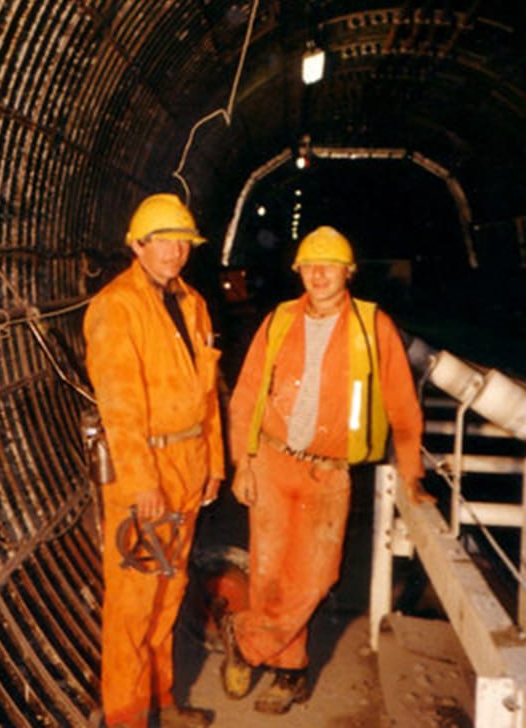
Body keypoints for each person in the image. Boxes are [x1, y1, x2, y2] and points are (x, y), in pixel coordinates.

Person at [220, 225, 429, 714]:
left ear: (348, 272)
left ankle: (245, 636)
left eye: (329, 266)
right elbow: (247, 393)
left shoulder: (373, 326)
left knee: (317, 577)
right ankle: (288, 673)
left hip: (329, 471)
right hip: (271, 462)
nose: (318, 274)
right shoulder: (278, 321)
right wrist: (242, 463)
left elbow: (402, 403)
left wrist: (413, 471)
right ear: (298, 272)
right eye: (309, 266)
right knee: (270, 575)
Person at [84, 193, 225, 728]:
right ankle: (126, 718)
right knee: (133, 606)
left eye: (182, 241)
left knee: (170, 594)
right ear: (137, 245)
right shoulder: (116, 307)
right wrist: (142, 482)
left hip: (189, 465)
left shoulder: (191, 302)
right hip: (145, 472)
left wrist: (214, 461)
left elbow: (207, 391)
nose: (174, 251)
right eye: (163, 241)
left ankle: (161, 703)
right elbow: (120, 406)